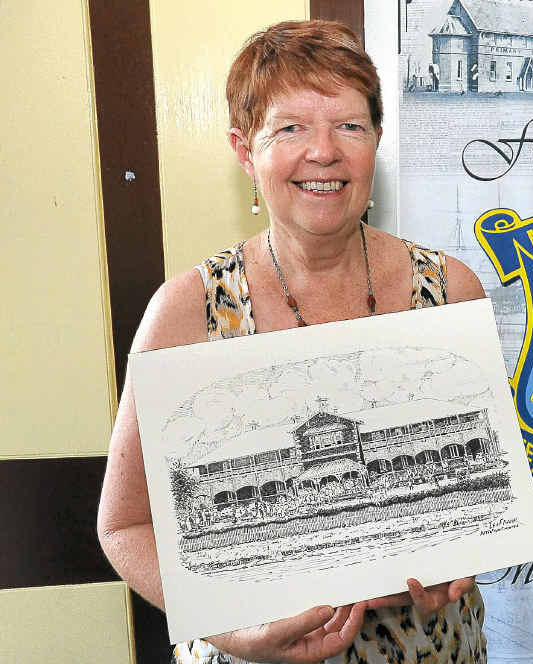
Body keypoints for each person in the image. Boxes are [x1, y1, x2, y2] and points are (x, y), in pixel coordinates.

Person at [96, 20, 487, 664]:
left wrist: (465, 548)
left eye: (350, 126)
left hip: (431, 649)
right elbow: (124, 526)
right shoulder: (186, 311)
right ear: (245, 151)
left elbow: (482, 473)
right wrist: (230, 629)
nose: (324, 151)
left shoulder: (450, 288)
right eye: (291, 127)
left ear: (376, 142)